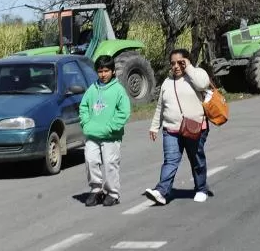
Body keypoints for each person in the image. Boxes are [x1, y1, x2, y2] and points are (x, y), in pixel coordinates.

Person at [144, 49, 213, 205]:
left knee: (196, 160)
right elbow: (160, 107)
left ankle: (201, 189)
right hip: (171, 129)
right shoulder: (167, 83)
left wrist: (188, 67)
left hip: (195, 127)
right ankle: (161, 191)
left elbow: (203, 84)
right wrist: (154, 126)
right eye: (173, 63)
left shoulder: (197, 74)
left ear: (187, 61)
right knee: (170, 160)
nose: (176, 66)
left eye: (180, 62)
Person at [80, 55, 132, 207]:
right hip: (92, 134)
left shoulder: (118, 90)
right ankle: (96, 190)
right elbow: (83, 107)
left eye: (106, 71)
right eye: (100, 71)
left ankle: (112, 193)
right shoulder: (92, 89)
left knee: (110, 163)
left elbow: (124, 112)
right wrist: (86, 123)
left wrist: (110, 127)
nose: (103, 75)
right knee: (90, 160)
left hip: (111, 136)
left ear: (113, 71)